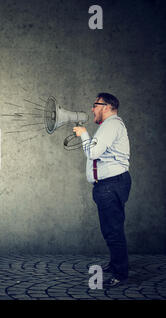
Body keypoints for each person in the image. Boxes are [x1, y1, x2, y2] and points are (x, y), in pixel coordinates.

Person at [73, 92, 131, 288]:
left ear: (107, 107)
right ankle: (116, 263)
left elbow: (93, 152)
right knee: (111, 229)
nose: (92, 109)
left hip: (110, 185)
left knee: (113, 230)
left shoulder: (111, 124)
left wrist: (83, 134)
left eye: (95, 105)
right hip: (111, 184)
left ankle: (120, 274)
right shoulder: (109, 126)